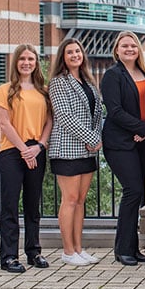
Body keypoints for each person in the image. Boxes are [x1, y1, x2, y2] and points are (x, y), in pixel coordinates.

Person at [0, 44, 53, 273]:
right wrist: (23, 150)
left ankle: (34, 251)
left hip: (36, 149)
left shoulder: (43, 90)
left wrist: (39, 146)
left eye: (31, 58)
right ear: (16, 62)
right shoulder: (5, 90)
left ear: (36, 62)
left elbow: (49, 121)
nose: (27, 62)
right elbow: (4, 123)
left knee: (32, 204)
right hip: (11, 151)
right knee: (9, 205)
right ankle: (8, 256)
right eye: (22, 59)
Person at [101, 31, 145, 266]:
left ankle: (132, 248)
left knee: (137, 194)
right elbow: (115, 111)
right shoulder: (112, 76)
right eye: (125, 46)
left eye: (133, 46)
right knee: (132, 190)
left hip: (143, 141)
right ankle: (122, 249)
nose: (130, 49)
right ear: (117, 50)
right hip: (120, 142)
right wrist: (143, 128)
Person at [48, 38, 103, 266]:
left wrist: (96, 137)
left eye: (77, 51)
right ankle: (68, 251)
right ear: (63, 56)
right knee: (69, 200)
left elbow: (98, 113)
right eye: (69, 52)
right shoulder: (58, 83)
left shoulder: (89, 82)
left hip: (88, 151)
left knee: (80, 200)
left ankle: (79, 249)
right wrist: (91, 138)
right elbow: (64, 116)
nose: (74, 55)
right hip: (67, 149)